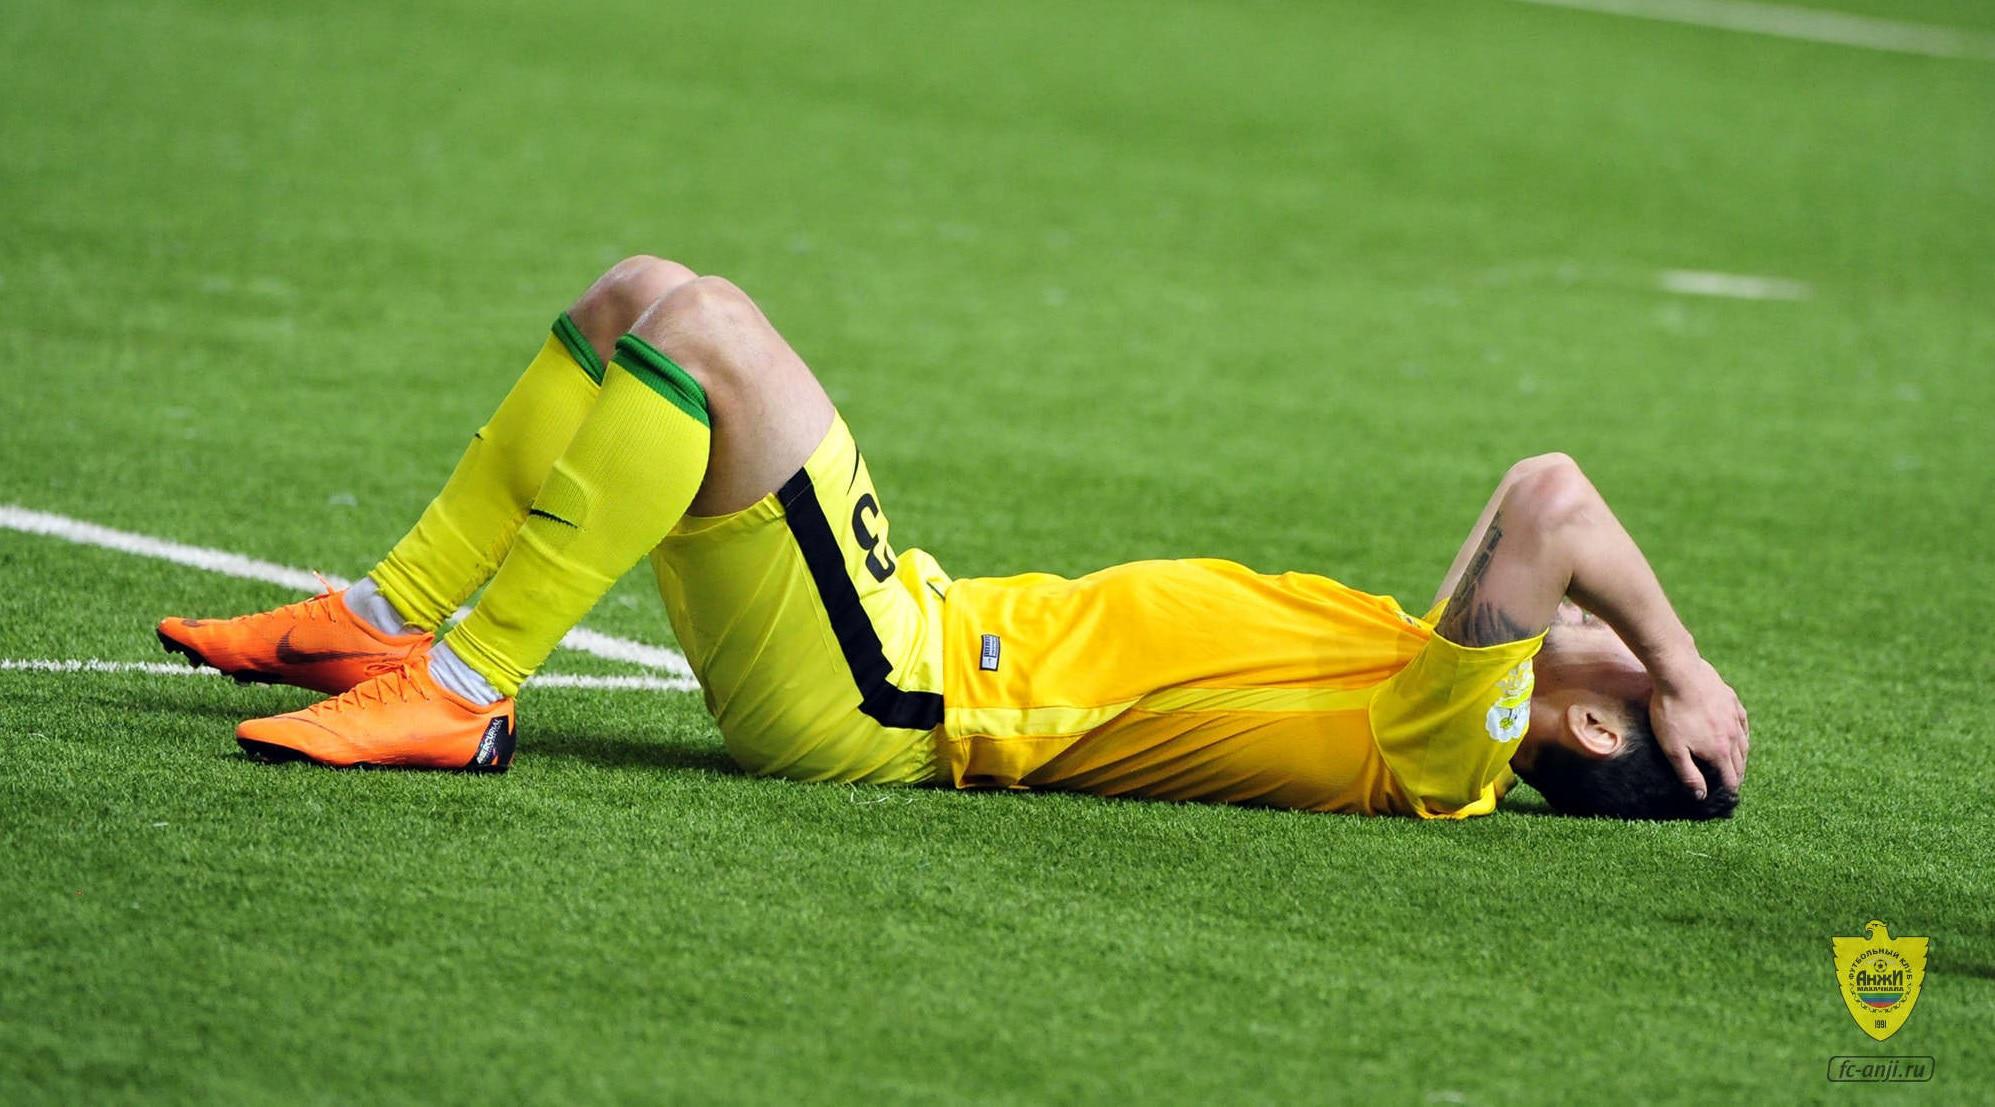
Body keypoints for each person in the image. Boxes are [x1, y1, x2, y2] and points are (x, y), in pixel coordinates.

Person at [157, 256, 1748, 820]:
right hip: (897, 631)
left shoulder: (1454, 751)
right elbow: (1514, 534)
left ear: (1590, 724)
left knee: (704, 333)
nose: (1597, 626)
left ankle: (464, 690)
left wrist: (1681, 665)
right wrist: (1650, 668)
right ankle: (392, 617)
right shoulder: (1422, 675)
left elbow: (1551, 500)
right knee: (643, 296)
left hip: (892, 699)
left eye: (1611, 664)